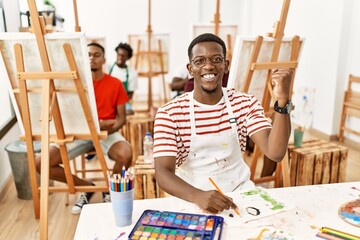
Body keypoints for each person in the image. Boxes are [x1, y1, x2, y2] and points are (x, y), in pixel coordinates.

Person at [153, 33, 292, 214]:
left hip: (240, 195)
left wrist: (282, 100)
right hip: (190, 197)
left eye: (216, 59)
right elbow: (163, 173)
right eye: (200, 61)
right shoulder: (169, 113)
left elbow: (276, 153)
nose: (209, 66)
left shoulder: (244, 103)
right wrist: (198, 196)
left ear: (226, 66)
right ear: (190, 68)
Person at [35, 42, 132, 214]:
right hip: (78, 134)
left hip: (105, 134)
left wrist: (105, 129)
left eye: (96, 55)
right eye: (88, 55)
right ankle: (86, 187)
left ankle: (110, 191)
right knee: (40, 163)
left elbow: (121, 119)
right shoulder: (72, 84)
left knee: (126, 154)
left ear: (104, 60)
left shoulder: (115, 83)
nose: (92, 58)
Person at [109, 42, 138, 115]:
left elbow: (130, 95)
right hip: (108, 101)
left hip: (124, 102)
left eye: (123, 56)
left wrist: (118, 104)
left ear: (128, 57)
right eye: (118, 55)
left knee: (128, 112)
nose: (120, 58)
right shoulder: (108, 68)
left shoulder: (132, 73)